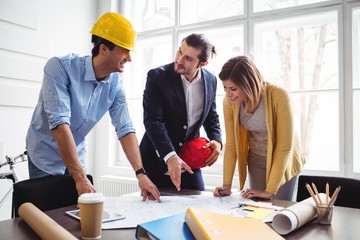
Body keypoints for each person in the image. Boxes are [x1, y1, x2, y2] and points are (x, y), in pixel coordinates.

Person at [25, 12, 161, 202]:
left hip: (77, 154)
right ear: (104, 49)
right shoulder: (59, 68)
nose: (129, 58)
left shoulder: (115, 84)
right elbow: (59, 123)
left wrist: (141, 173)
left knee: (74, 218)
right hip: (44, 155)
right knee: (46, 220)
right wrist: (80, 178)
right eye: (124, 50)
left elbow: (125, 129)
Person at [213, 55, 306, 200]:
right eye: (225, 88)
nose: (228, 94)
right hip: (257, 157)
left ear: (248, 84)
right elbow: (231, 145)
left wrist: (270, 191)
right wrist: (226, 185)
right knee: (256, 209)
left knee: (279, 210)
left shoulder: (279, 95)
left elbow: (284, 148)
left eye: (233, 88)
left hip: (283, 159)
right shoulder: (230, 102)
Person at [140, 33, 222, 191]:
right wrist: (170, 156)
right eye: (180, 52)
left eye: (188, 59)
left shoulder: (211, 80)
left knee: (196, 208)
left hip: (190, 161)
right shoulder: (157, 77)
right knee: (153, 210)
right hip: (157, 159)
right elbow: (153, 121)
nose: (179, 60)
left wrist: (217, 140)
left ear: (202, 63)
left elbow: (211, 116)